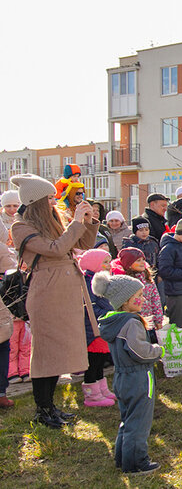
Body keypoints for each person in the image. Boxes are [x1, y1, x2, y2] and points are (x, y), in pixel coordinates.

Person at [10, 173, 99, 428]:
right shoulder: (20, 226)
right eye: (49, 198)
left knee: (59, 351)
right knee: (45, 354)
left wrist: (88, 219)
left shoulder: (52, 218)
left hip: (65, 289)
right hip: (47, 291)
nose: (54, 202)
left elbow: (84, 242)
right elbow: (55, 249)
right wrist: (74, 224)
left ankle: (51, 406)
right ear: (35, 200)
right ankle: (43, 409)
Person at [93, 272, 162, 475]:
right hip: (138, 377)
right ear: (124, 301)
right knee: (139, 422)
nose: (142, 300)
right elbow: (139, 351)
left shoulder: (114, 323)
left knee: (128, 419)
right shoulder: (131, 323)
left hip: (122, 377)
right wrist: (158, 350)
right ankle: (136, 462)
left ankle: (122, 458)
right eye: (137, 296)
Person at [78, 249, 117, 408]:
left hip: (102, 324)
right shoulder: (88, 281)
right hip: (93, 327)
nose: (109, 265)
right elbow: (90, 306)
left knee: (101, 359)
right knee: (93, 360)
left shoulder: (101, 278)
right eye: (105, 262)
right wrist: (108, 314)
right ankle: (91, 394)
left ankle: (101, 389)